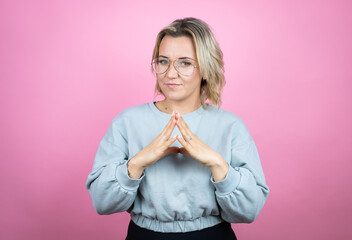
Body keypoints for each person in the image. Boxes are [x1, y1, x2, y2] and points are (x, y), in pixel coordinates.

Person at [86, 17, 269, 240]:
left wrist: (217, 163)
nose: (170, 73)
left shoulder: (231, 126)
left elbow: (250, 211)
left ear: (206, 68)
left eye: (184, 62)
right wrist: (138, 161)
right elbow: (101, 202)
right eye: (163, 61)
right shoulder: (126, 122)